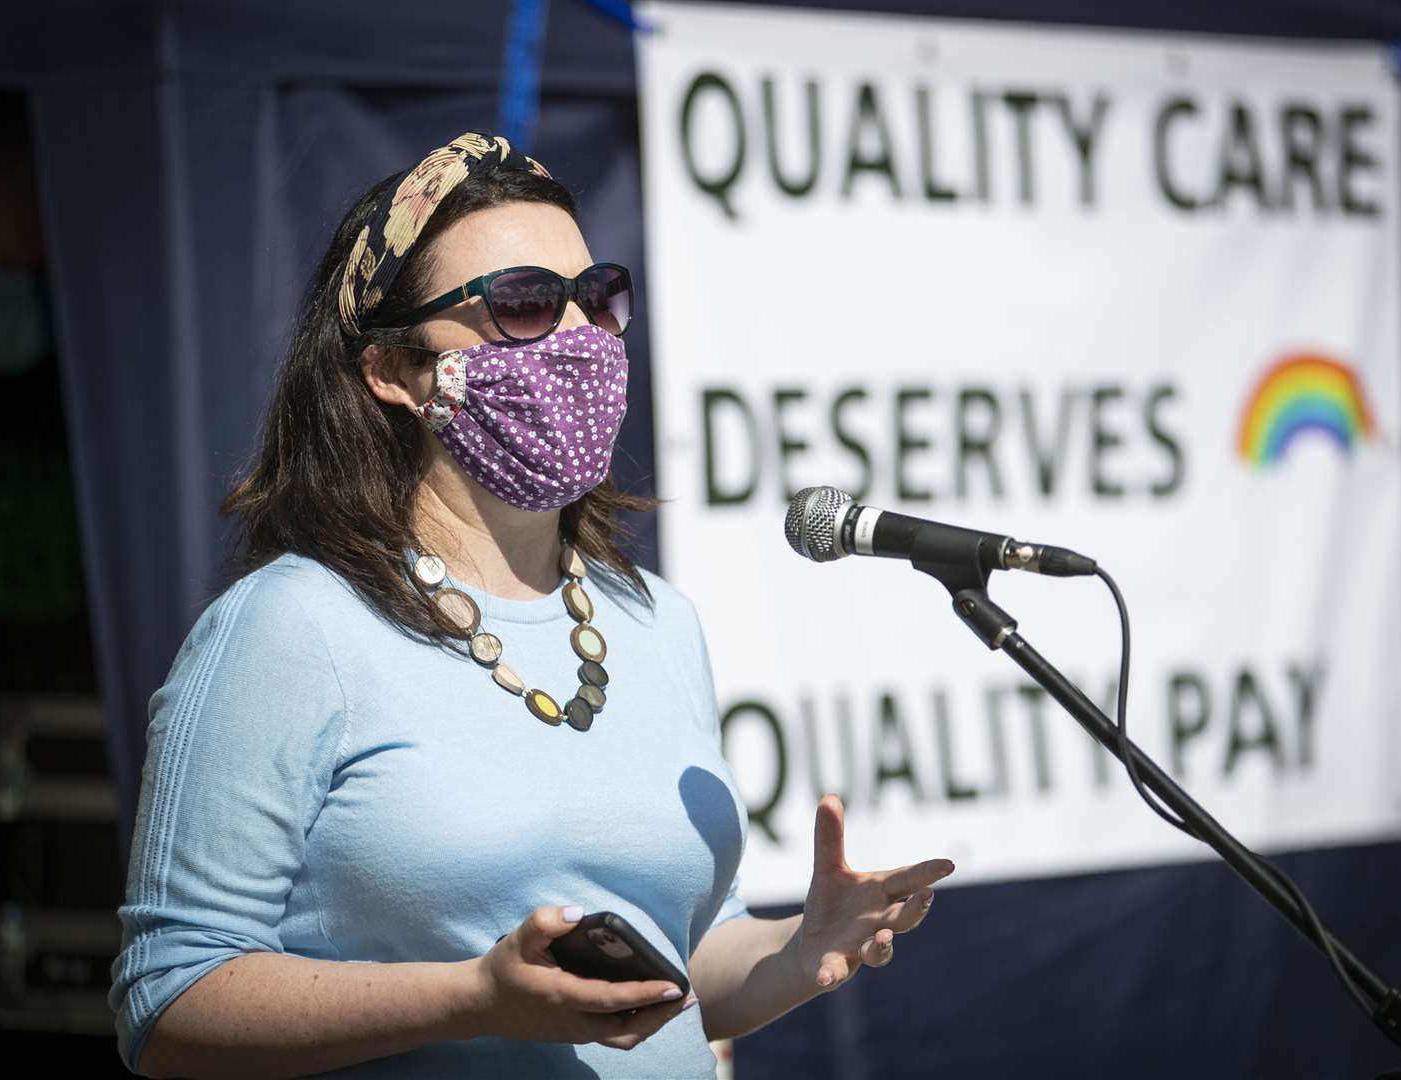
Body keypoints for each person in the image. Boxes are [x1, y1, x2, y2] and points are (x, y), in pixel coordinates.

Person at [107, 129, 955, 1079]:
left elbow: (683, 967)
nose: (581, 337)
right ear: (393, 371)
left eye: (597, 298)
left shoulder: (657, 622)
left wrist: (803, 948)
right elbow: (168, 1002)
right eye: (522, 304)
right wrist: (475, 997)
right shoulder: (290, 628)